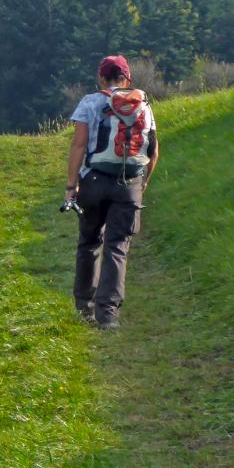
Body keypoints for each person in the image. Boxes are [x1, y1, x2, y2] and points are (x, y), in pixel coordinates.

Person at [66, 55, 159, 329]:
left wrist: (71, 186)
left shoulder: (90, 102)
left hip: (94, 181)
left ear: (101, 78)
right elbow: (153, 152)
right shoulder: (144, 104)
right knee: (117, 247)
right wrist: (142, 182)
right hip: (129, 183)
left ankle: (85, 306)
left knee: (89, 241)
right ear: (127, 78)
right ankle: (108, 316)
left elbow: (79, 145)